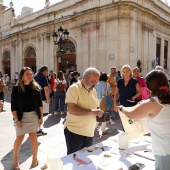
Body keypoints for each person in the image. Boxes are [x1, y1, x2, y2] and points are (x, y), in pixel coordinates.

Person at [117, 70, 170, 170]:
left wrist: (121, 108)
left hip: (164, 151)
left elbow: (131, 115)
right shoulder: (159, 101)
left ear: (149, 87)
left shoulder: (152, 103)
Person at [64, 67, 103, 155]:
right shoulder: (74, 88)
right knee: (75, 159)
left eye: (97, 82)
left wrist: (100, 114)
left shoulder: (93, 91)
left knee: (86, 159)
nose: (95, 84)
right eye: (93, 81)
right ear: (85, 77)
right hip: (75, 133)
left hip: (89, 133)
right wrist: (93, 111)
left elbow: (95, 108)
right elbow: (72, 109)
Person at [11, 67, 43, 169]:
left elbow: (39, 104)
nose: (29, 76)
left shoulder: (36, 88)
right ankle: (15, 160)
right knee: (19, 138)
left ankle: (34, 160)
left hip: (33, 116)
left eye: (31, 74)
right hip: (21, 117)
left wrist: (41, 117)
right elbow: (13, 107)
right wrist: (16, 120)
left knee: (33, 137)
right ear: (22, 76)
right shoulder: (16, 89)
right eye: (27, 74)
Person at [34, 66, 49, 136]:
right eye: (47, 71)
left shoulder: (35, 76)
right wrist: (47, 99)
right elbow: (46, 89)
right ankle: (38, 130)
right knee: (41, 115)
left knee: (37, 114)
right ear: (44, 71)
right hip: (42, 98)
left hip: (35, 97)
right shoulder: (43, 77)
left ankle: (37, 129)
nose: (48, 73)